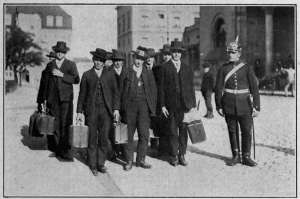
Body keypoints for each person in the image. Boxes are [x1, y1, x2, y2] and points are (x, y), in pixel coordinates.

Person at [215, 36, 260, 167]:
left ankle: (246, 156)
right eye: (229, 52)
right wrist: (219, 105)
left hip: (245, 104)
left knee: (246, 130)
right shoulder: (223, 69)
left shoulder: (246, 68)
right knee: (232, 130)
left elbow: (254, 88)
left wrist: (256, 106)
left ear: (239, 54)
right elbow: (218, 88)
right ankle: (235, 155)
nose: (230, 54)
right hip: (228, 104)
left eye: (233, 52)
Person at [76, 48, 120, 176]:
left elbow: (116, 93)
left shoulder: (110, 74)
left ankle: (101, 163)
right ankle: (92, 164)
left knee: (104, 138)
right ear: (93, 60)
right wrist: (79, 112)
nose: (99, 63)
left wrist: (116, 109)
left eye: (101, 61)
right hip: (91, 111)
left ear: (104, 62)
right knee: (91, 138)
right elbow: (82, 95)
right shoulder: (87, 75)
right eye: (96, 60)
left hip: (106, 111)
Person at [39, 41, 80, 161]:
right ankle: (57, 149)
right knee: (55, 124)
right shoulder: (50, 65)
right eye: (58, 52)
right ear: (55, 52)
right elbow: (45, 84)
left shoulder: (71, 64)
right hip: (53, 100)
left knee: (65, 124)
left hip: (66, 99)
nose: (60, 54)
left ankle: (65, 149)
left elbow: (76, 79)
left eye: (62, 52)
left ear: (65, 53)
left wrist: (62, 75)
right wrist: (44, 100)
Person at [159, 39, 196, 167]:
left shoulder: (187, 68)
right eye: (174, 52)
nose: (176, 54)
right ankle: (174, 155)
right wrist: (162, 105)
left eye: (178, 52)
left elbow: (191, 88)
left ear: (181, 53)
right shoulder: (165, 67)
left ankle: (182, 155)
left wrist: (193, 106)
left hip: (185, 105)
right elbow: (161, 88)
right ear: (171, 53)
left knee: (184, 130)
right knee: (172, 131)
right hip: (171, 106)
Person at [122, 46, 157, 171]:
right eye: (137, 58)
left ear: (144, 60)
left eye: (141, 59)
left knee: (144, 134)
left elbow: (153, 91)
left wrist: (152, 108)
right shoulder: (126, 71)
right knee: (129, 135)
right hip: (129, 107)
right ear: (134, 58)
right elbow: (119, 91)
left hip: (144, 108)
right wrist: (119, 108)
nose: (139, 61)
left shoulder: (148, 72)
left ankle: (141, 159)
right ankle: (129, 160)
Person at [152, 44, 172, 156]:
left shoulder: (176, 68)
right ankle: (162, 149)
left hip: (172, 102)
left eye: (168, 54)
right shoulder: (158, 68)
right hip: (161, 101)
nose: (166, 57)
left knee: (172, 127)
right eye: (164, 54)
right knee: (162, 126)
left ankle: (171, 149)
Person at [109, 49, 127, 160]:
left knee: (123, 127)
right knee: (113, 127)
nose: (117, 63)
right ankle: (114, 151)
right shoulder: (108, 71)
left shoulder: (128, 72)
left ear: (123, 62)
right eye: (115, 60)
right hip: (112, 104)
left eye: (120, 60)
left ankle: (123, 151)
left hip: (125, 104)